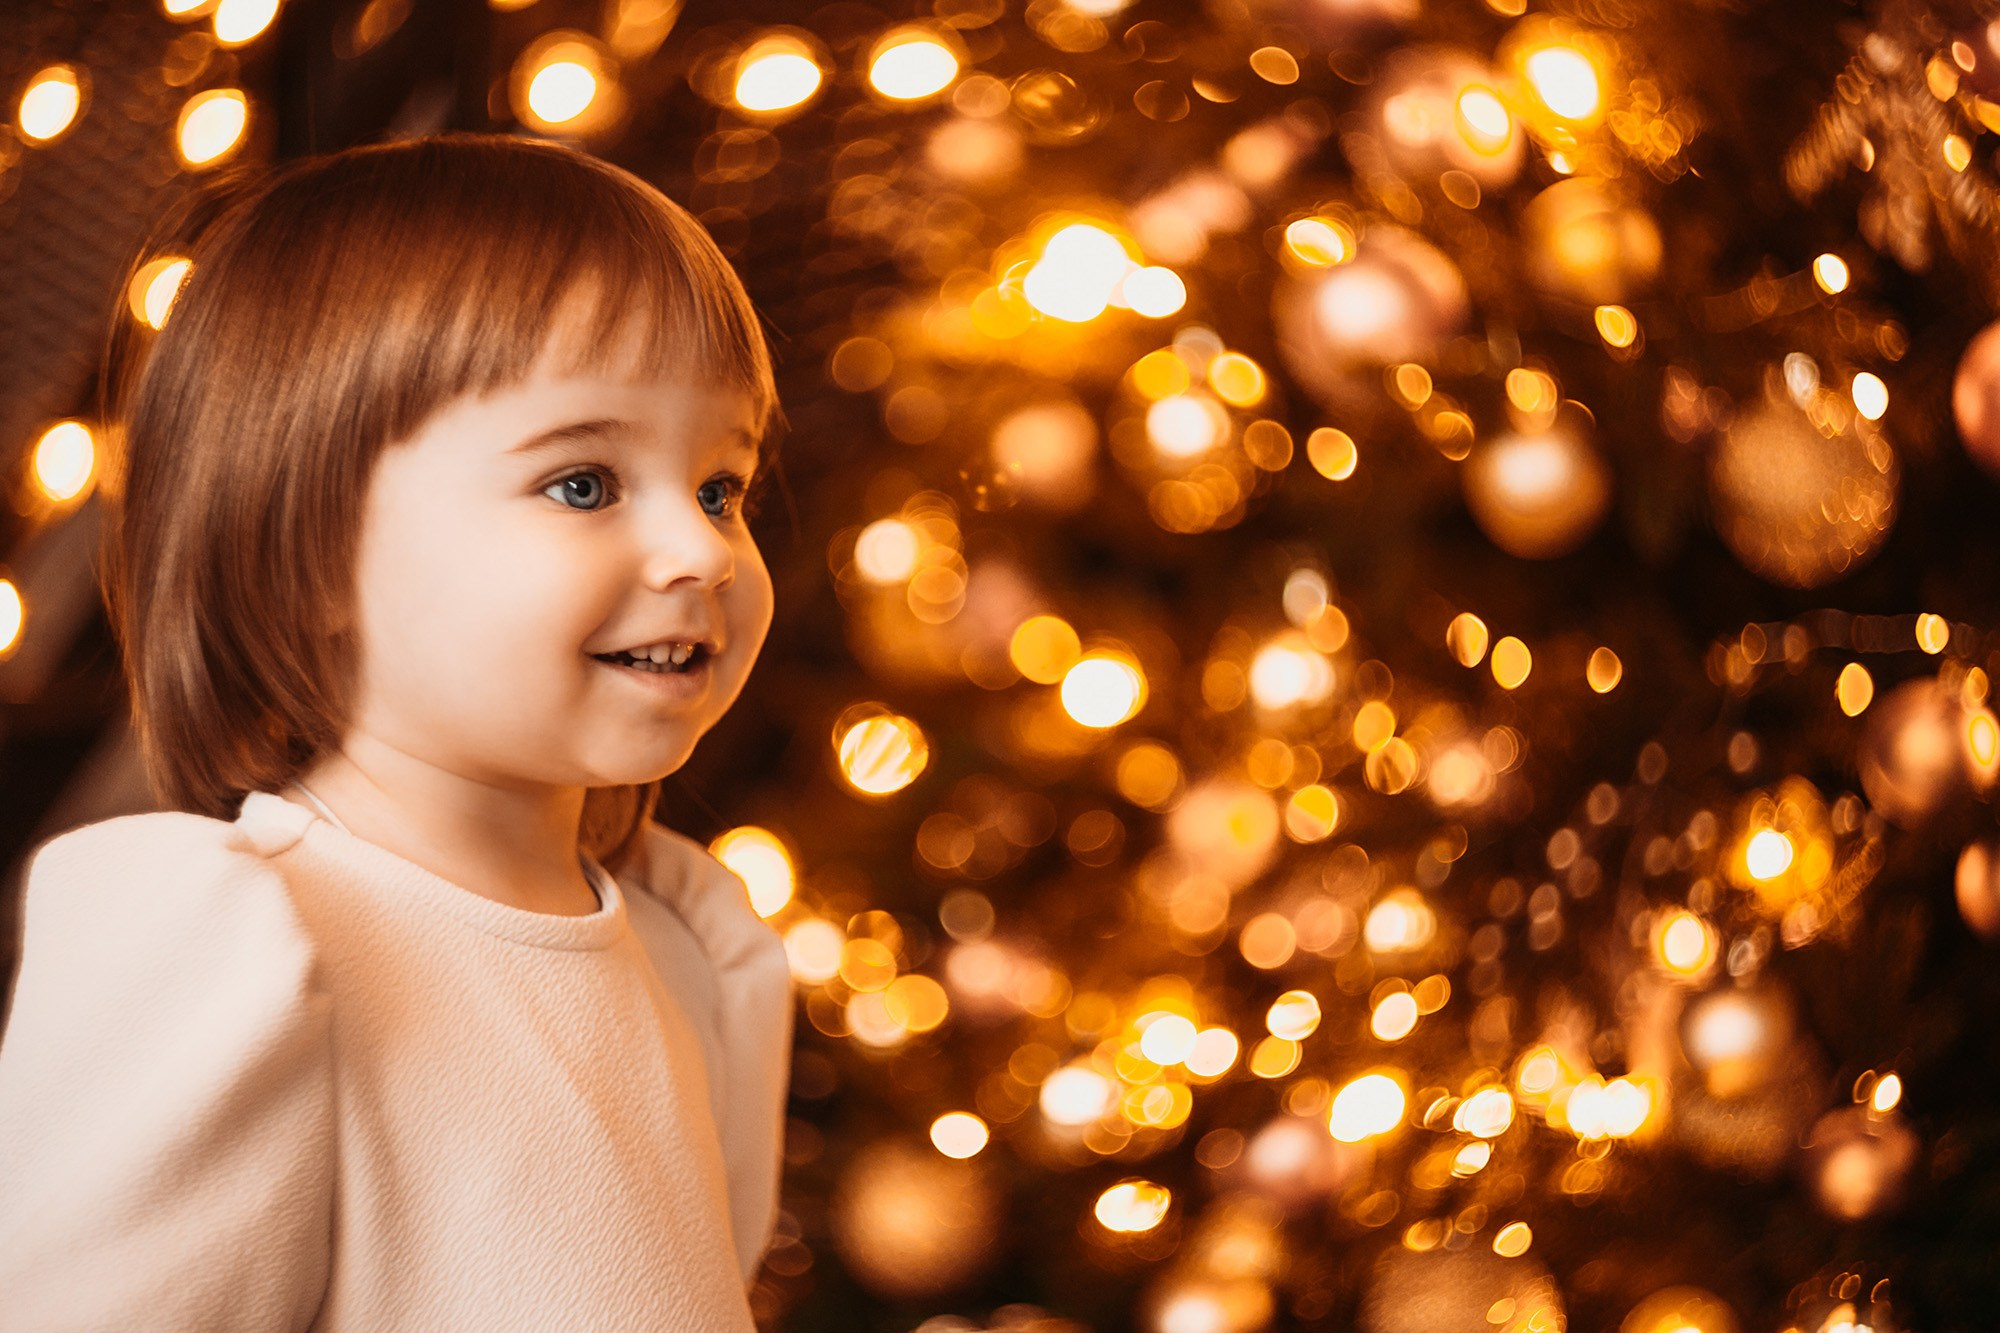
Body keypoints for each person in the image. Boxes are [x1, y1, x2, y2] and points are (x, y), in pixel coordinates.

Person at [0, 132, 795, 1330]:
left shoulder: (692, 953)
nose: (698, 551)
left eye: (718, 486)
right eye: (583, 482)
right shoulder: (242, 950)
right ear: (307, 547)